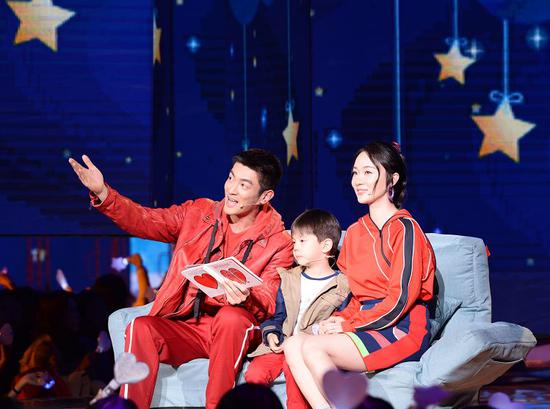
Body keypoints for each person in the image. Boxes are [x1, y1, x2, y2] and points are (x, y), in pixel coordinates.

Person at [68, 149, 294, 409]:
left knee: (230, 318)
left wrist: (247, 297)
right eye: (231, 178)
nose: (231, 190)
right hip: (191, 324)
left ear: (265, 196)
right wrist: (104, 194)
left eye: (244, 185)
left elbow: (269, 301)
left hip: (237, 327)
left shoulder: (279, 242)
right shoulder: (199, 213)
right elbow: (147, 221)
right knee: (141, 327)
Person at [284, 141, 435, 409]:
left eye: (368, 172)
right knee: (294, 344)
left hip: (402, 326)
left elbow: (400, 300)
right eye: (355, 173)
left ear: (392, 179)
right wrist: (340, 318)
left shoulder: (406, 229)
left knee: (313, 347)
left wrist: (349, 325)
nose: (358, 180)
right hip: (365, 320)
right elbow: (356, 296)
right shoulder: (354, 232)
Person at [245, 209, 349, 409]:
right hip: (281, 344)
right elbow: (278, 316)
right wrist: (271, 334)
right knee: (255, 374)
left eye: (302, 241)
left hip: (308, 349)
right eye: (294, 242)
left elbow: (338, 322)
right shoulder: (289, 278)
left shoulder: (342, 286)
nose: (296, 248)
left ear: (326, 245)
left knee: (295, 374)